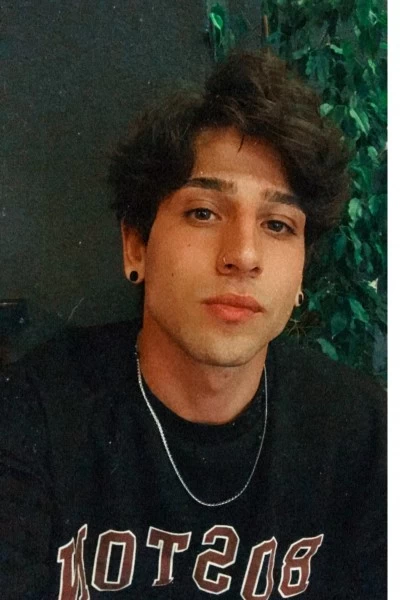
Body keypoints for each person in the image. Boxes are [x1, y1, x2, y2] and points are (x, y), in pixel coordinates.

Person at [0, 50, 385, 599]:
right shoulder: (32, 417)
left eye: (278, 225)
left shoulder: (363, 435)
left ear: (302, 272)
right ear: (136, 245)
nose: (243, 255)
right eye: (203, 212)